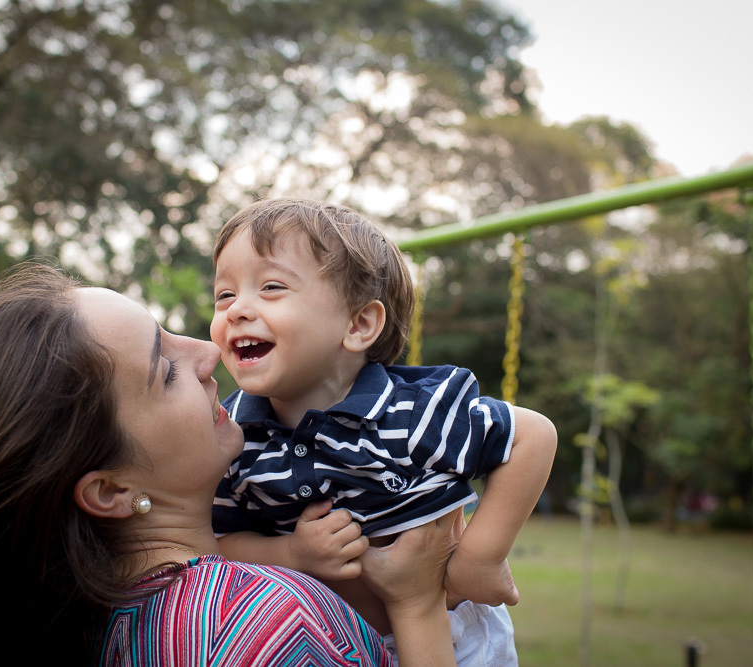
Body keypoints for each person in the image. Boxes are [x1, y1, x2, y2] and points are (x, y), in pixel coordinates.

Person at [0, 263, 458, 667]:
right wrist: (418, 607)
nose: (208, 353)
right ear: (110, 489)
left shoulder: (69, 618)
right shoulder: (266, 628)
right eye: (165, 369)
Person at [209, 199, 558, 665]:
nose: (236, 310)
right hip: (329, 642)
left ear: (358, 324)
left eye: (271, 287)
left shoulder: (413, 411)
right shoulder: (233, 436)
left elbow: (533, 435)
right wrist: (291, 552)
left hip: (454, 633)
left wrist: (480, 556)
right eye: (225, 295)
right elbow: (219, 542)